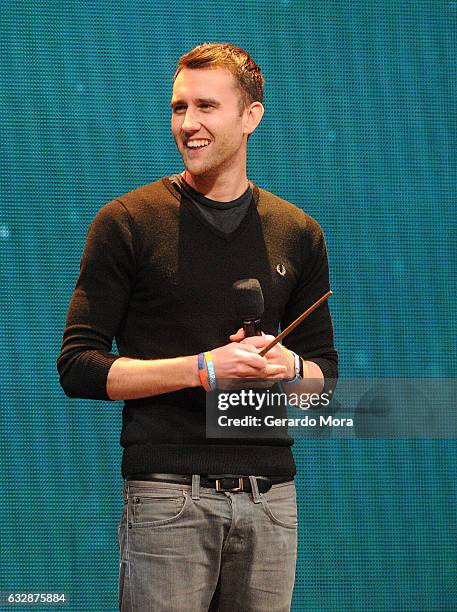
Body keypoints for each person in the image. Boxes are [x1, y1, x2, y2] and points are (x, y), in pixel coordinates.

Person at [57, 42, 338, 612]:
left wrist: (288, 366)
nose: (189, 124)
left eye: (206, 107)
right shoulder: (127, 223)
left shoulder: (297, 231)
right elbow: (79, 367)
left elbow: (324, 376)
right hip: (168, 498)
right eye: (178, 108)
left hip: (271, 499)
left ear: (251, 116)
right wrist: (203, 369)